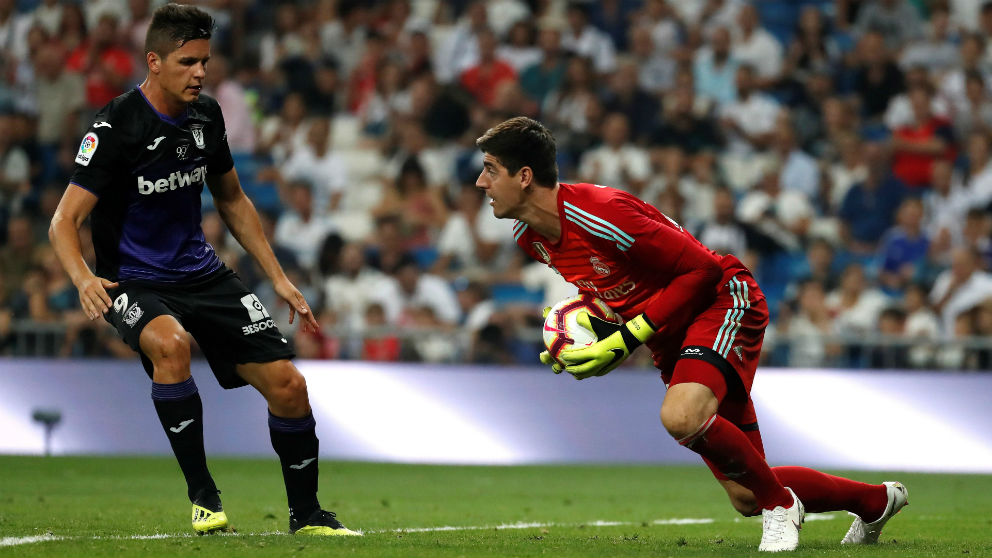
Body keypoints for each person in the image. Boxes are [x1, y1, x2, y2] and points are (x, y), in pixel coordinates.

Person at [475, 116, 907, 552]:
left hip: (721, 300)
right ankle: (874, 501)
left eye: (491, 168)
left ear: (525, 176)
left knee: (681, 416)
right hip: (673, 334)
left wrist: (627, 339)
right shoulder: (531, 238)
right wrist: (582, 338)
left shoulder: (599, 214)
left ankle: (782, 506)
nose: (480, 181)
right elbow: (615, 291)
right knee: (745, 495)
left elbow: (704, 269)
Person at [48, 4, 359, 537]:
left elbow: (233, 200)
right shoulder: (116, 125)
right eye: (188, 62)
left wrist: (278, 277)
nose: (200, 72)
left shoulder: (207, 116)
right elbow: (63, 221)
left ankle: (306, 516)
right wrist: (83, 279)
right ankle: (204, 497)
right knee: (171, 346)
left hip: (202, 273)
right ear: (154, 61)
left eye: (204, 62)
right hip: (134, 280)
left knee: (290, 386)